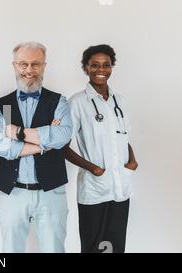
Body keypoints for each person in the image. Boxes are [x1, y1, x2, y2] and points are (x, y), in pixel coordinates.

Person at [0, 41, 72, 253]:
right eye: (23, 64)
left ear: (44, 66)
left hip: (51, 193)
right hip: (12, 193)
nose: (29, 70)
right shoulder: (4, 105)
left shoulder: (58, 102)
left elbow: (62, 136)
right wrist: (44, 143)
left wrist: (17, 133)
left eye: (35, 64)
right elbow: (0, 146)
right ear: (14, 65)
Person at [64, 44, 138, 253]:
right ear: (86, 68)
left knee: (116, 247)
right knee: (93, 247)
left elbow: (122, 137)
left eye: (106, 65)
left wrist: (132, 161)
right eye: (94, 65)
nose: (101, 69)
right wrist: (93, 168)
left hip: (120, 187)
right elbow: (63, 146)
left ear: (112, 67)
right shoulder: (77, 102)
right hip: (94, 189)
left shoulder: (119, 101)